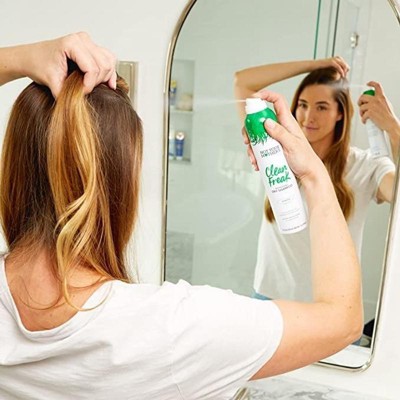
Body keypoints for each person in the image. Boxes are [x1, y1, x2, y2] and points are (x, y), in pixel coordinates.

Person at [0, 35, 362, 400]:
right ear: (122, 182)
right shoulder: (172, 329)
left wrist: (20, 57)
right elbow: (342, 320)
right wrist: (314, 175)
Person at [234, 57, 398, 302]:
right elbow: (242, 82)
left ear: (340, 113)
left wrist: (393, 128)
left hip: (327, 306)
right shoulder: (276, 147)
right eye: (303, 104)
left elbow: (397, 193)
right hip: (269, 298)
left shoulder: (366, 166)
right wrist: (315, 65)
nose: (309, 116)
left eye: (322, 107)